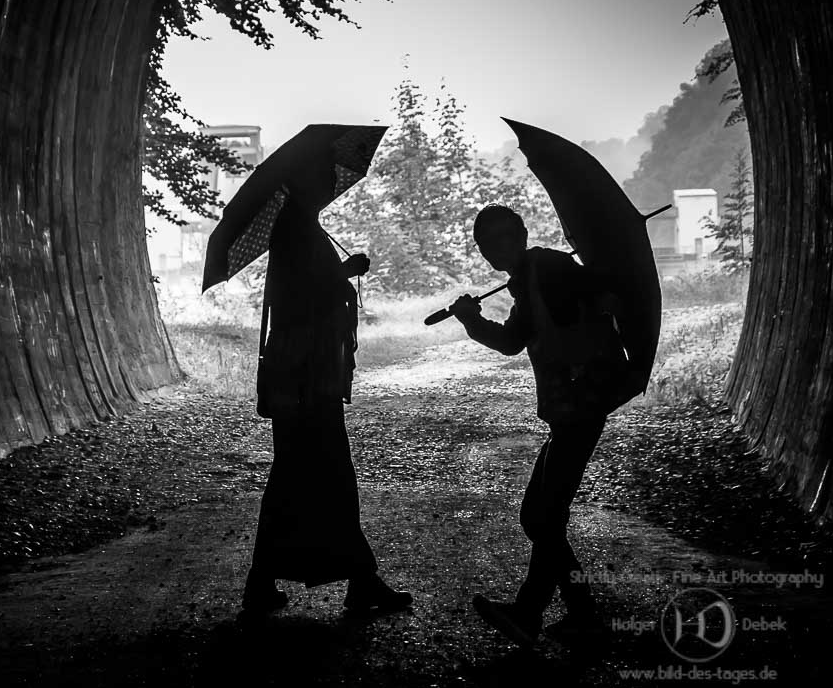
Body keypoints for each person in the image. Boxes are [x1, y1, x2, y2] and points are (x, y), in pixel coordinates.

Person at [448, 204, 627, 645]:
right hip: (569, 408)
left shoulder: (545, 269)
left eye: (503, 239)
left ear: (523, 234)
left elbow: (513, 339)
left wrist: (472, 318)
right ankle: (578, 612)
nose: (495, 251)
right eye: (487, 245)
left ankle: (535, 612)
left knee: (543, 517)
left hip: (580, 405)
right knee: (539, 516)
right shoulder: (536, 272)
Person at [242, 177, 412, 615]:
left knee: (299, 475)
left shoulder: (299, 226)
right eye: (324, 175)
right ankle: (359, 581)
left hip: (302, 378)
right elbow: (299, 297)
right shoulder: (296, 229)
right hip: (306, 379)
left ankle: (269, 582)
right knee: (327, 473)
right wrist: (345, 271)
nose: (331, 183)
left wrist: (339, 272)